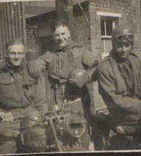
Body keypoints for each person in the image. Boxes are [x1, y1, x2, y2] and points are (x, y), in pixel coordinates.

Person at [28, 20, 99, 149]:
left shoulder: (80, 50)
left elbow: (97, 66)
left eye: (63, 34)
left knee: (80, 129)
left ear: (69, 33)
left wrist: (86, 77)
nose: (60, 38)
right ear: (53, 37)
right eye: (57, 35)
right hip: (56, 97)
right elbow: (38, 64)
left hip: (77, 96)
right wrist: (31, 63)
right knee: (59, 129)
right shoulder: (50, 54)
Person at [0, 39, 46, 154]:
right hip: (8, 121)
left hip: (31, 118)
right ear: (6, 55)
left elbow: (40, 99)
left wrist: (43, 115)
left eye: (20, 53)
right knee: (7, 149)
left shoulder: (32, 70)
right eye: (13, 53)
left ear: (24, 54)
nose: (16, 57)